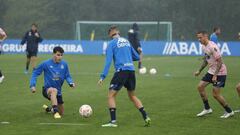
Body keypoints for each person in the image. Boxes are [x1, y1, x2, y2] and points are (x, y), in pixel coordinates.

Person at [98, 25, 151, 127]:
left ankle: (113, 122)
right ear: (118, 32)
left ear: (110, 34)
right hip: (131, 71)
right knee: (132, 96)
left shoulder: (111, 44)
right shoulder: (126, 41)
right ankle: (146, 117)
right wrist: (127, 57)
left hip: (121, 71)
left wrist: (102, 76)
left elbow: (108, 62)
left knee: (111, 95)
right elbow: (136, 56)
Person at [194, 31, 234, 118]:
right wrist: (199, 71)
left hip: (220, 72)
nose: (199, 39)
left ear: (206, 36)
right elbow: (206, 59)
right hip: (211, 71)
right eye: (198, 38)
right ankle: (207, 109)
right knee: (200, 87)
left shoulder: (212, 47)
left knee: (215, 94)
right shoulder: (203, 47)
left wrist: (215, 75)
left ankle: (229, 111)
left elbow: (220, 62)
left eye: (200, 37)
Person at [30, 46, 75, 119]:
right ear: (53, 54)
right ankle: (55, 112)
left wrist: (71, 82)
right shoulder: (45, 64)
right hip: (47, 90)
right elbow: (35, 73)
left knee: (62, 112)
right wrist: (32, 85)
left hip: (58, 92)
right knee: (53, 90)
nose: (60, 57)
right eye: (58, 55)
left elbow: (67, 76)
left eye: (61, 55)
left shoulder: (64, 64)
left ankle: (49, 109)